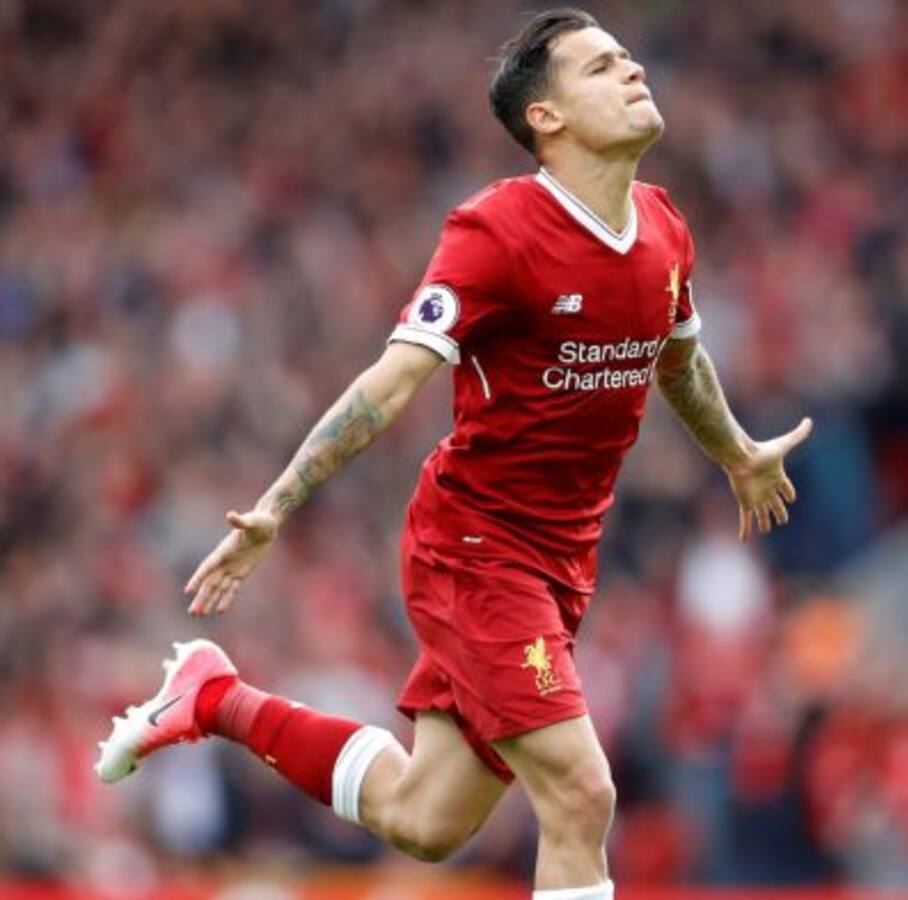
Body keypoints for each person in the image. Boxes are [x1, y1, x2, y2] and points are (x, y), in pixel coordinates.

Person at [95, 9, 812, 898]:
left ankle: (213, 698)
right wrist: (276, 506)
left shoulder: (664, 226)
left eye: (627, 58)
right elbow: (391, 382)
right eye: (600, 67)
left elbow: (681, 358)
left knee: (425, 819)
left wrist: (736, 451)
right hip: (476, 548)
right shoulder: (498, 229)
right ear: (545, 116)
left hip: (561, 561)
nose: (632, 72)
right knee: (582, 794)